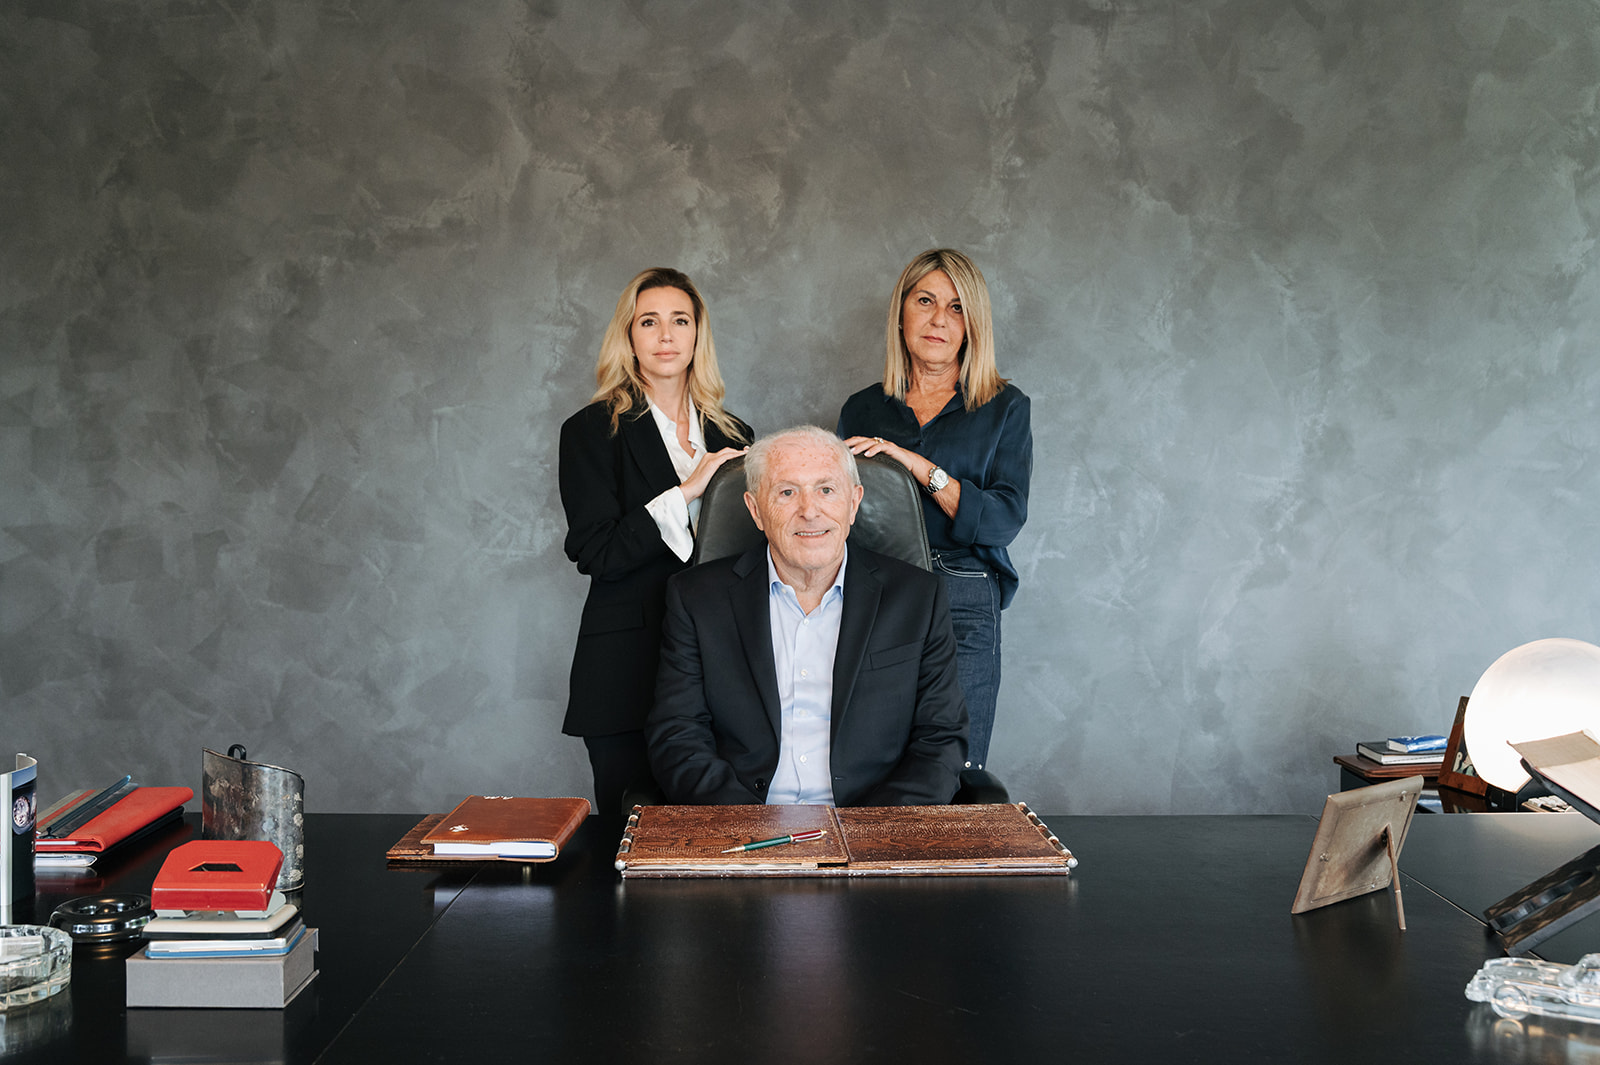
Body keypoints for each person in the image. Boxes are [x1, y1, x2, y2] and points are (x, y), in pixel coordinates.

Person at [645, 425, 968, 806]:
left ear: (853, 502)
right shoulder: (696, 599)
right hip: (743, 826)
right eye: (786, 492)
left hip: (871, 826)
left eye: (826, 490)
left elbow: (940, 740)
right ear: (756, 510)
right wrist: (751, 829)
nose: (809, 511)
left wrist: (870, 831)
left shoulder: (918, 599)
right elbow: (678, 737)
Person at [559, 267, 752, 825]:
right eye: (649, 321)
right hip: (625, 674)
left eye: (680, 321)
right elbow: (597, 552)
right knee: (633, 839)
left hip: (722, 673)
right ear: (629, 334)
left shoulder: (736, 437)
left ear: (697, 334)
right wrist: (687, 490)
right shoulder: (591, 430)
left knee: (718, 837)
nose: (666, 335)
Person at [837, 249, 1031, 771]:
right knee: (875, 761)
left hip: (964, 593)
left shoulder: (1005, 407)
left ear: (972, 324)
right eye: (925, 301)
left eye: (956, 307)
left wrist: (916, 466)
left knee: (954, 767)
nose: (939, 319)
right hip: (878, 591)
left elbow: (1002, 520)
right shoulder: (862, 408)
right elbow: (839, 514)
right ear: (902, 313)